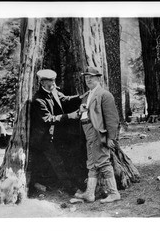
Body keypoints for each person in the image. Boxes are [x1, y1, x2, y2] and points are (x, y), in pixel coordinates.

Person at [29, 69, 82, 194]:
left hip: (55, 135)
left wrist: (82, 97)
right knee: (58, 163)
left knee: (65, 158)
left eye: (53, 80)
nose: (53, 83)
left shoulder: (54, 92)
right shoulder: (38, 99)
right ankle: (71, 189)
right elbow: (47, 119)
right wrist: (69, 116)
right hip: (43, 139)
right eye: (49, 81)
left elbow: (65, 99)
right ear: (42, 82)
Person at [75, 66, 121, 203]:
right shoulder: (87, 95)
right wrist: (80, 111)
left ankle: (114, 193)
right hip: (87, 131)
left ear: (98, 78)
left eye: (91, 77)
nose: (88, 80)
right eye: (86, 78)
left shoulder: (105, 95)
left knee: (103, 161)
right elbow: (84, 113)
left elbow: (112, 119)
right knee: (92, 163)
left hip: (98, 133)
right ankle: (89, 193)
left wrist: (111, 138)